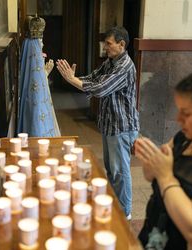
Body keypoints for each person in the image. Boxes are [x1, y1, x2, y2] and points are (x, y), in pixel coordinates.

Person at [135, 68, 192, 249]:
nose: (178, 119)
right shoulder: (185, 137)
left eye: (186, 113)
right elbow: (150, 176)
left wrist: (166, 176)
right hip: (153, 236)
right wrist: (152, 160)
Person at [56, 26, 139, 219]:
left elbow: (101, 88)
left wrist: (73, 80)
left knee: (120, 171)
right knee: (112, 169)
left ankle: (125, 213)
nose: (105, 48)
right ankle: (116, 205)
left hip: (122, 126)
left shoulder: (124, 66)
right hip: (111, 124)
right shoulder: (110, 62)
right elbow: (93, 78)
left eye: (109, 44)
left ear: (121, 44)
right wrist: (73, 79)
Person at [17, 15, 60, 137]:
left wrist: (44, 73)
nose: (42, 45)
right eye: (40, 42)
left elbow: (35, 85)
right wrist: (44, 73)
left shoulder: (31, 53)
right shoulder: (33, 54)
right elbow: (35, 92)